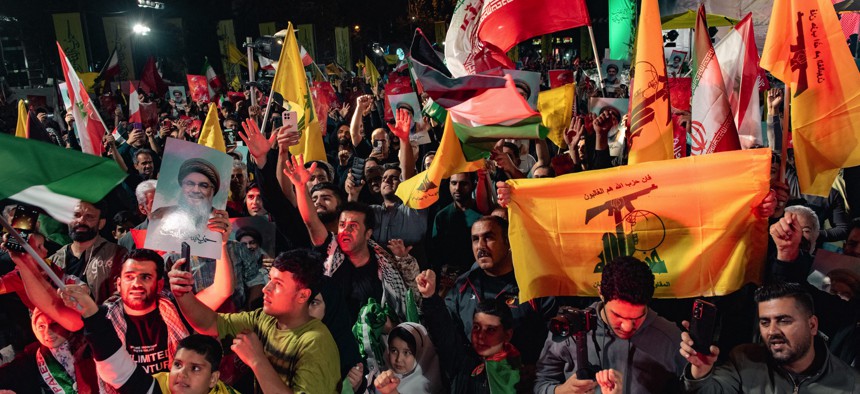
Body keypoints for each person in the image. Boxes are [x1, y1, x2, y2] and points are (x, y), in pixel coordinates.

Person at [169, 249, 341, 393]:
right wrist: (182, 292)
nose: (266, 289)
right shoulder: (264, 319)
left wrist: (257, 360)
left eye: (278, 284)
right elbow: (209, 323)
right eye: (270, 279)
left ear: (303, 295)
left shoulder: (315, 342)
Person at [284, 155, 420, 323]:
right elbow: (311, 221)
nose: (345, 231)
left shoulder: (383, 259)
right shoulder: (331, 249)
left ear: (368, 233)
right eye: (342, 225)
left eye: (353, 226)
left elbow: (410, 296)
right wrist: (300, 186)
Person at [535, 256, 686, 394]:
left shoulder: (670, 337)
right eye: (618, 315)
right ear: (601, 293)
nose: (627, 327)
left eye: (638, 317)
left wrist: (701, 373)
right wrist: (559, 391)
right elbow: (541, 383)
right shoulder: (571, 329)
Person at [680, 282, 860, 392]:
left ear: (812, 325)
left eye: (783, 320)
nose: (772, 331)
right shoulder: (744, 358)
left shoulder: (852, 385)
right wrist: (700, 373)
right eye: (765, 322)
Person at [58, 283, 237, 394]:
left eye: (195, 368)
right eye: (178, 365)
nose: (181, 374)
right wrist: (91, 313)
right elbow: (117, 368)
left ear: (213, 379)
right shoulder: (157, 388)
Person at [446, 216, 557, 366]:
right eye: (475, 239)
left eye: (488, 237)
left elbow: (555, 342)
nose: (481, 246)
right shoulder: (463, 286)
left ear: (509, 241)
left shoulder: (535, 285)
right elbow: (446, 334)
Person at [0, 307, 98, 393]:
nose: (48, 332)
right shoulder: (34, 354)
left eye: (54, 324)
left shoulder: (90, 342)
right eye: (41, 326)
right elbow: (8, 374)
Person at [50, 200, 128, 304]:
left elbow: (123, 295)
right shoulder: (54, 259)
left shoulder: (117, 255)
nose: (81, 221)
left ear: (101, 223)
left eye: (89, 217)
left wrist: (96, 313)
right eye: (76, 215)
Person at [150, 158, 222, 240]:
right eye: (190, 184)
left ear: (212, 191)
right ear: (181, 187)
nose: (196, 190)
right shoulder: (162, 215)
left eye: (203, 185)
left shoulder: (220, 221)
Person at [431, 172, 483, 281]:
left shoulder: (483, 214)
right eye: (454, 183)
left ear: (473, 185)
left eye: (463, 184)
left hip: (478, 274)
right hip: (448, 278)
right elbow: (436, 252)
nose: (457, 188)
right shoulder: (441, 216)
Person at [373, 322, 444, 394]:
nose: (398, 359)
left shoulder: (426, 387)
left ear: (420, 353)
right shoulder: (384, 375)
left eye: (407, 352)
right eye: (394, 351)